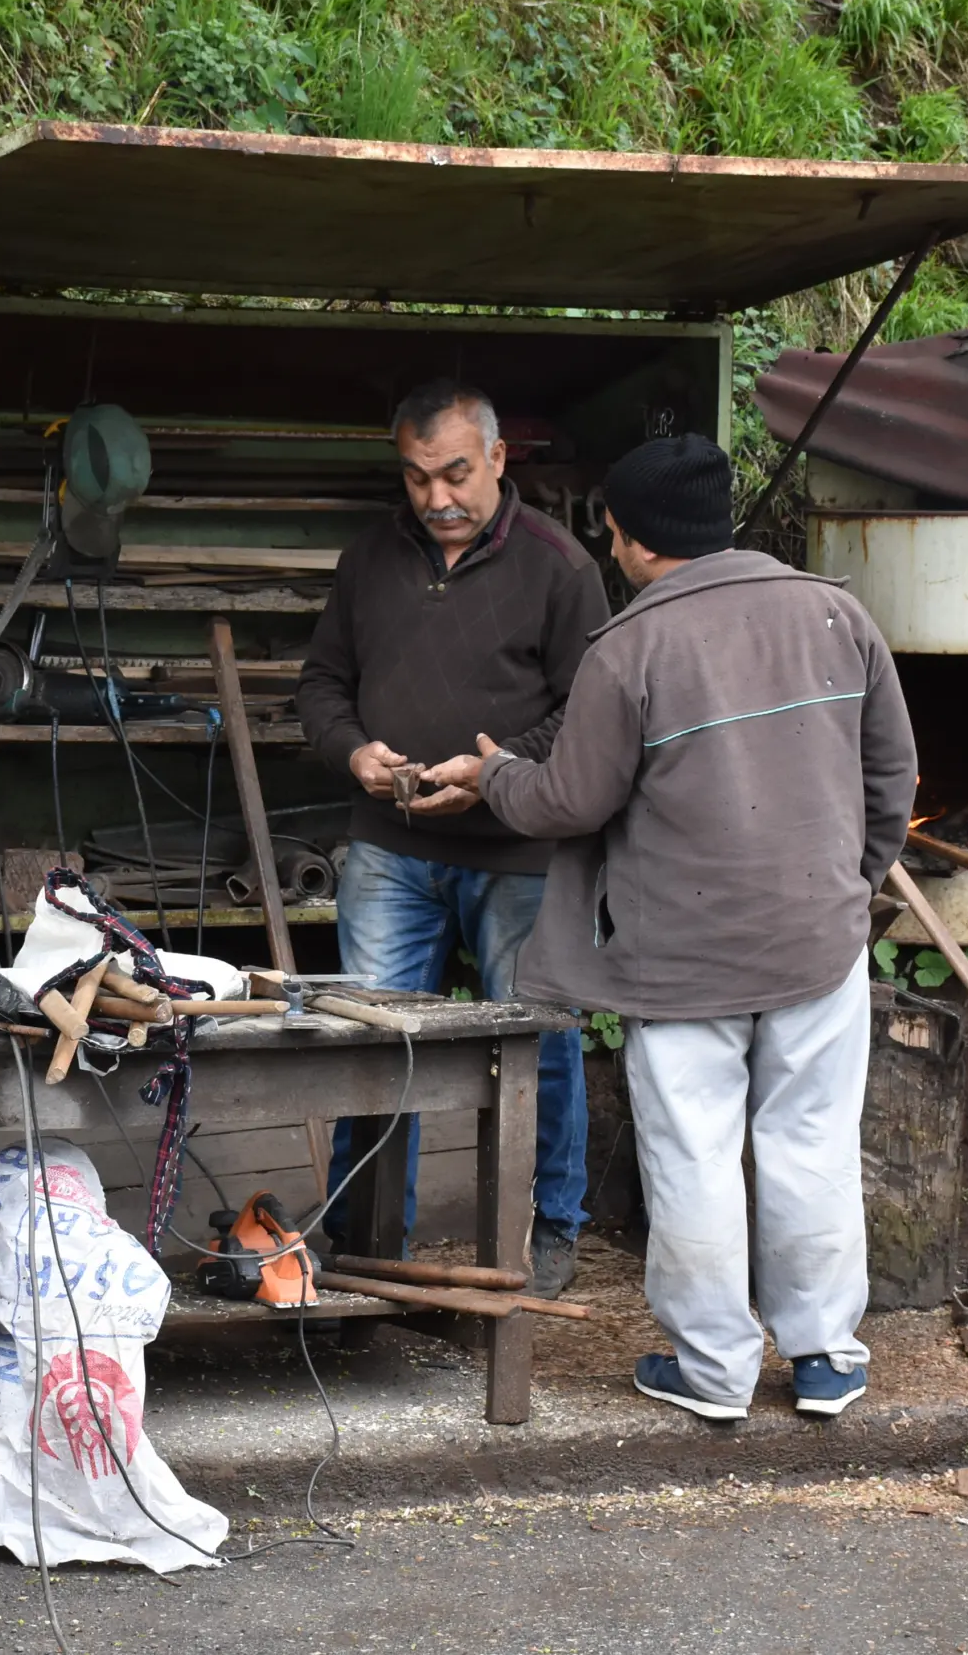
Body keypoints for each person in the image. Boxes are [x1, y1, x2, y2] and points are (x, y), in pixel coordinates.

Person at [423, 433, 916, 1420]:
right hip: (817, 942)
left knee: (691, 1151)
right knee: (811, 1139)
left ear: (634, 541)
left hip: (679, 960)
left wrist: (495, 776)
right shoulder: (836, 614)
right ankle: (824, 1358)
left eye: (611, 534)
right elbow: (890, 776)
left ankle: (713, 1369)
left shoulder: (630, 648)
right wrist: (845, 885)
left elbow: (570, 799)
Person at [294, 378, 610, 1297]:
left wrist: (496, 772)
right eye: (417, 478)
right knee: (377, 1042)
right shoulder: (369, 560)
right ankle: (364, 1242)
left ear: (500, 460)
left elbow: (589, 716)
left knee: (540, 1043)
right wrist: (353, 754)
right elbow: (321, 686)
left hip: (518, 851)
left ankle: (546, 1232)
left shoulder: (561, 567)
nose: (437, 499)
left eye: (456, 474)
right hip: (391, 850)